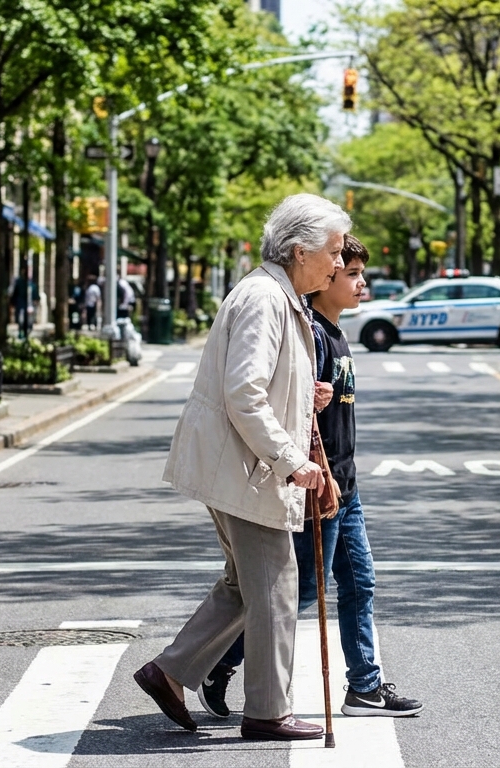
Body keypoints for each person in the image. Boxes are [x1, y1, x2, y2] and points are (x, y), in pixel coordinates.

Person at [134, 193, 348, 741]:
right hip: (249, 470)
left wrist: (309, 397)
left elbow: (263, 386)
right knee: (276, 583)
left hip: (245, 467)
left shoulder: (280, 295)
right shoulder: (264, 297)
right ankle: (268, 711)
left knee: (243, 583)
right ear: (300, 252)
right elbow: (244, 394)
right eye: (333, 252)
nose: (340, 264)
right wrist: (293, 461)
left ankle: (170, 671)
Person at [199, 235, 422, 720]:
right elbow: (295, 414)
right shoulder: (312, 334)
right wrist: (313, 472)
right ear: (323, 282)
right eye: (349, 272)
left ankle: (364, 685)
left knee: (359, 582)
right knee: (297, 593)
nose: (359, 281)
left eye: (358, 271)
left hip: (346, 483)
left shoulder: (338, 334)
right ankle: (219, 662)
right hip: (318, 485)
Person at [12, 264, 35, 339]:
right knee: (21, 319)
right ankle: (21, 332)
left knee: (29, 320)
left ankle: (26, 332)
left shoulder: (31, 283)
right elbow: (15, 292)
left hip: (29, 304)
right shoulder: (19, 282)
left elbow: (34, 294)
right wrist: (13, 302)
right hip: (21, 303)